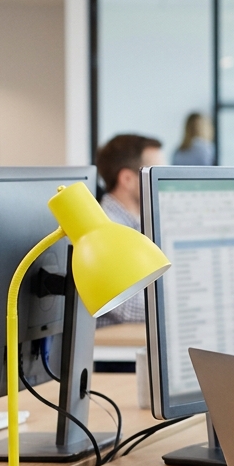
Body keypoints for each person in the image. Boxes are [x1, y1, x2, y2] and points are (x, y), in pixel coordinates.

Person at [95, 133, 165, 326]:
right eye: (156, 174)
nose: (163, 183)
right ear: (127, 179)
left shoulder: (138, 224)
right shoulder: (106, 230)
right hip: (112, 342)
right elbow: (130, 307)